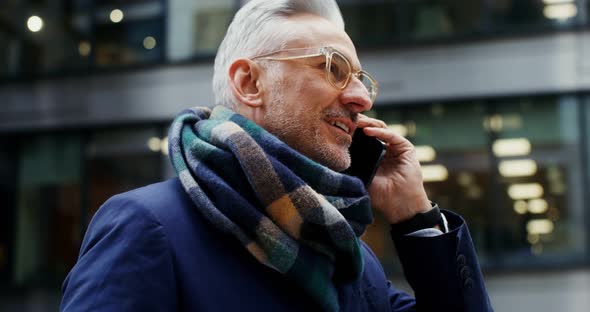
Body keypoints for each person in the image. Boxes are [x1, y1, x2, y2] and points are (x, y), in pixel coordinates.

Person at [61, 0, 493, 311]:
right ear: (250, 82)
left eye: (362, 80)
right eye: (333, 68)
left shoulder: (352, 262)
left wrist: (414, 214)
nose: (361, 97)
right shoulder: (147, 226)